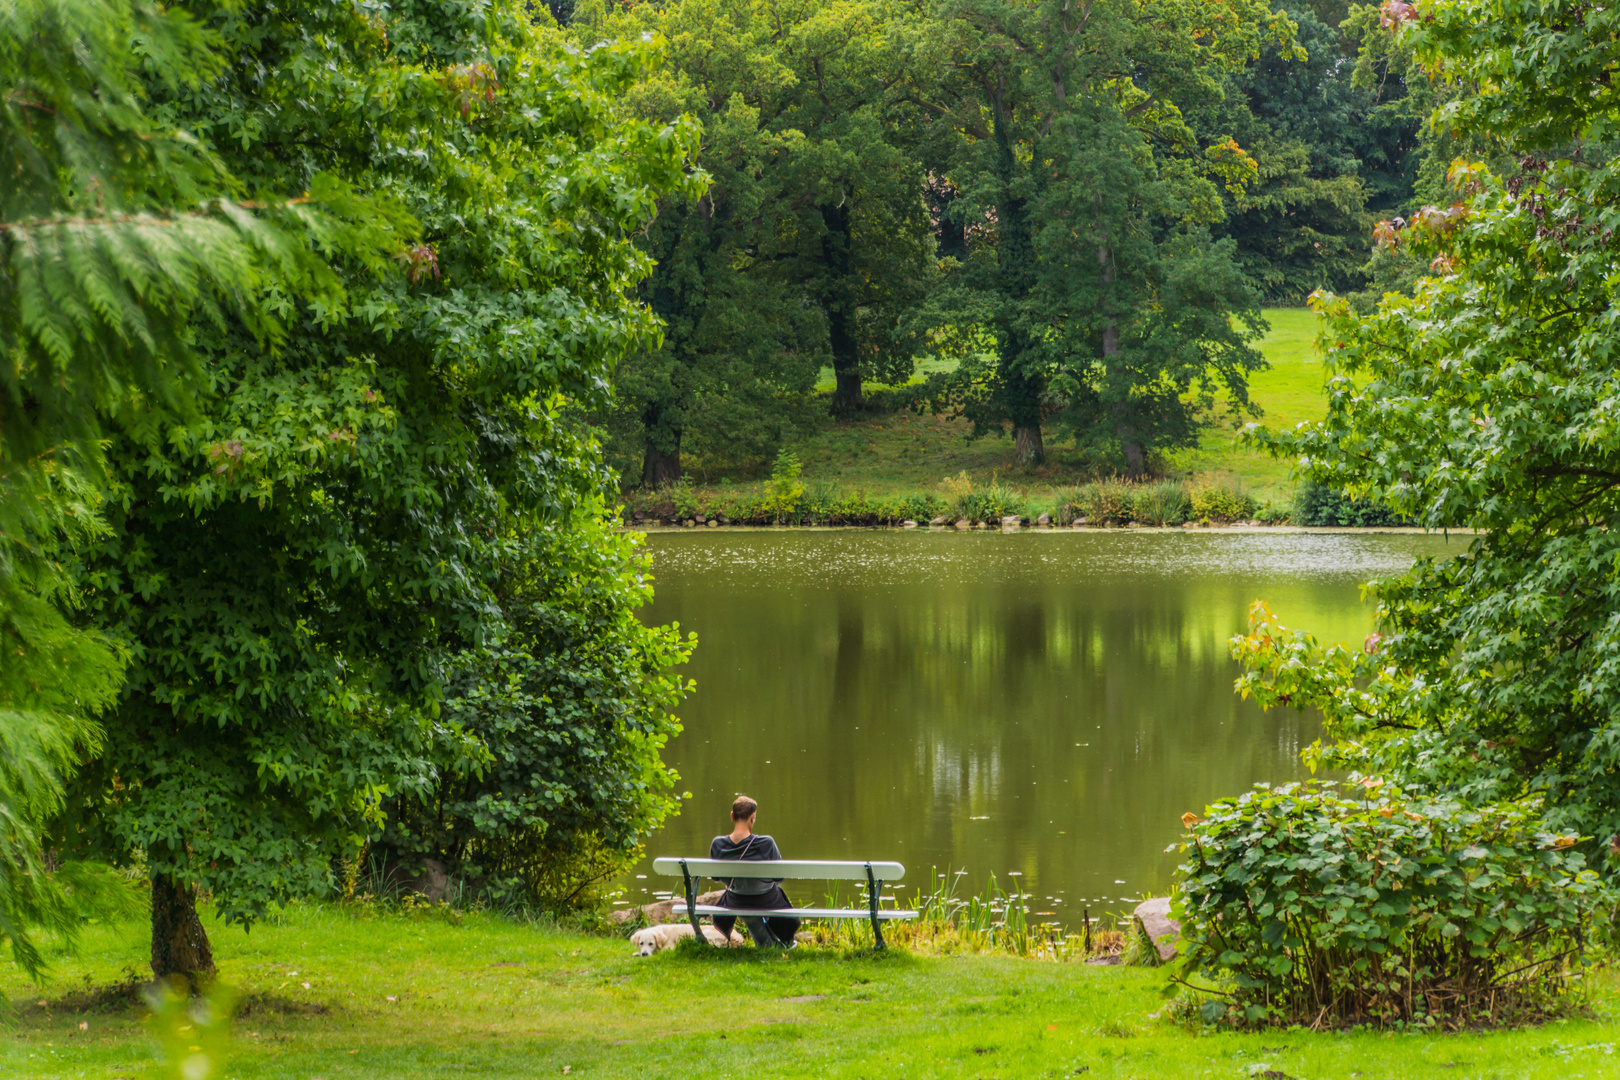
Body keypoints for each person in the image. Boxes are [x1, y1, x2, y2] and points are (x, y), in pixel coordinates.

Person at [709, 795, 801, 948]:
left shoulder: (718, 844)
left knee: (746, 904)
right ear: (752, 818)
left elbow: (715, 877)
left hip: (736, 900)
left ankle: (772, 945)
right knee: (775, 893)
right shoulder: (766, 843)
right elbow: (779, 877)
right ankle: (782, 943)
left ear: (732, 816)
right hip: (766, 899)